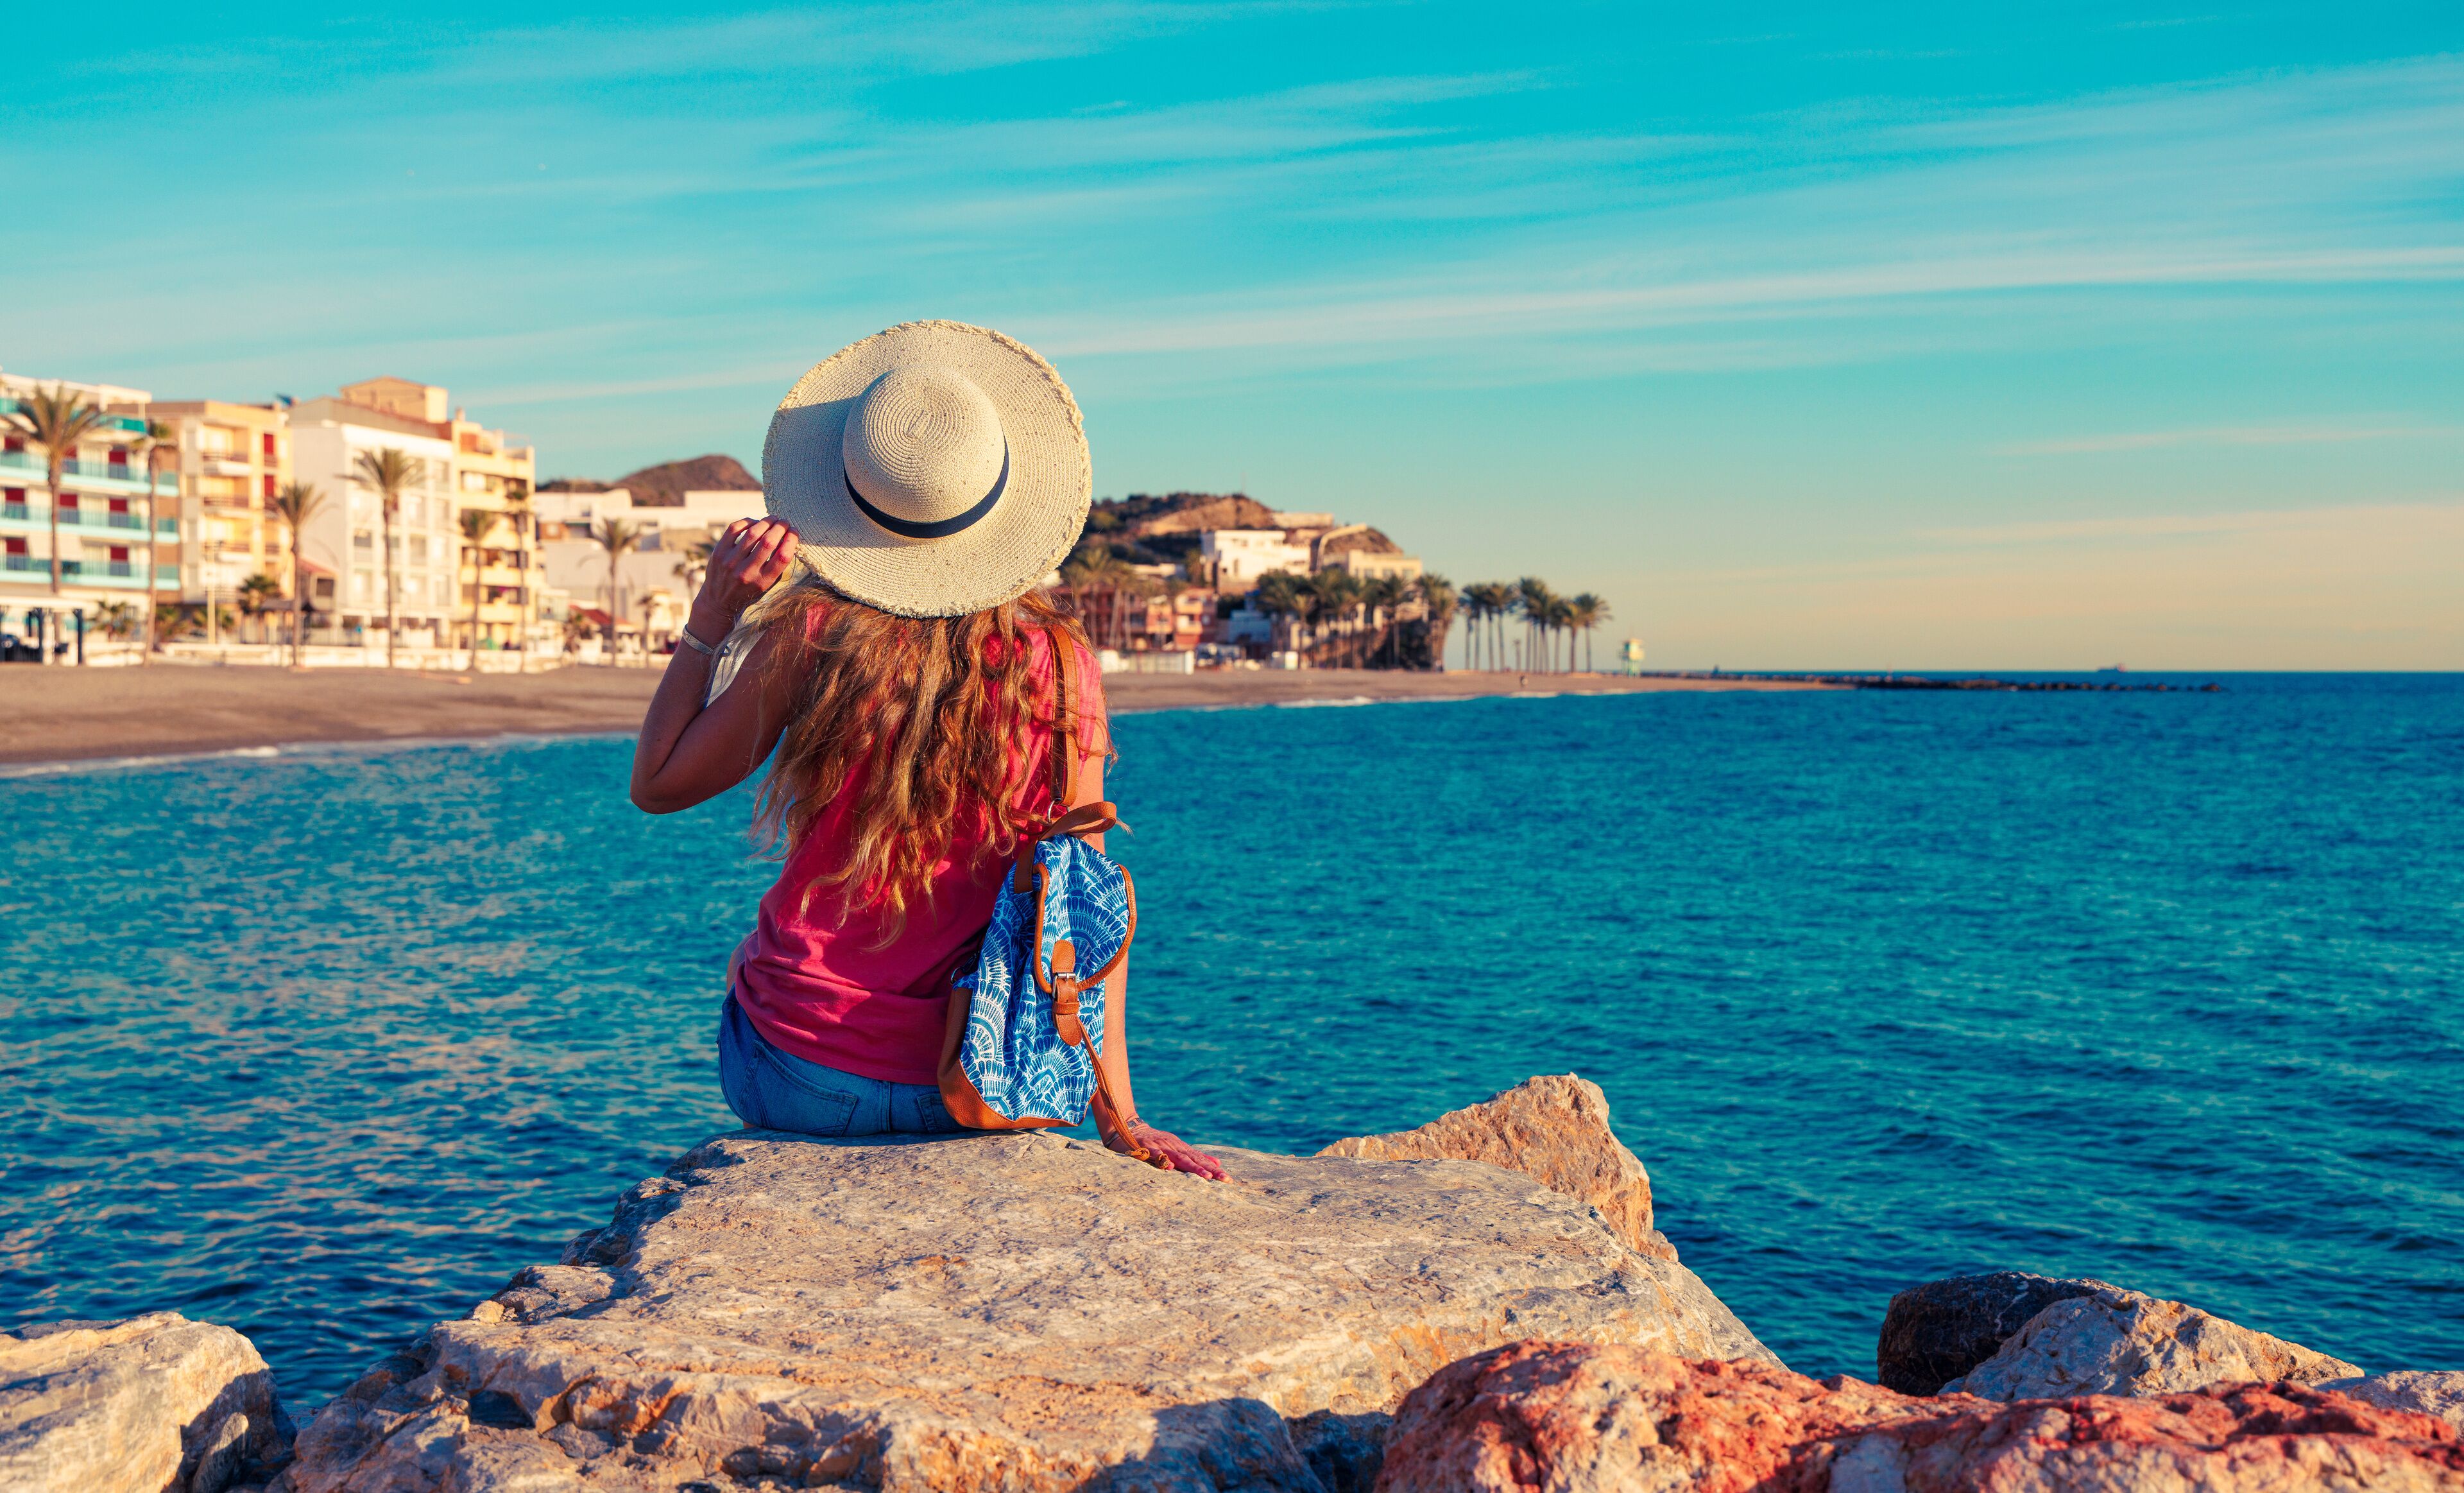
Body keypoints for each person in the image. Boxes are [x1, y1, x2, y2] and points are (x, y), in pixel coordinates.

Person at [626, 321, 1224, 1180]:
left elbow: (657, 784)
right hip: (982, 1088)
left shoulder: (816, 634)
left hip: (799, 1077)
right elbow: (1084, 908)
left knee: (747, 964)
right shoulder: (1061, 668)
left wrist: (711, 618)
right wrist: (1120, 1117)